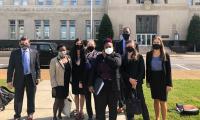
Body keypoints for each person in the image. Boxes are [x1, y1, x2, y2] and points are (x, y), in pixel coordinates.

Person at [7, 36, 40, 120]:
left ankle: (30, 113)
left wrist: (38, 77)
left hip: (31, 78)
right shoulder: (14, 53)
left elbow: (37, 66)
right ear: (19, 44)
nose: (24, 45)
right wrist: (9, 80)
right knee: (18, 98)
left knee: (31, 97)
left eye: (25, 43)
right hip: (19, 78)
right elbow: (10, 67)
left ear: (29, 43)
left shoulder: (35, 52)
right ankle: (17, 115)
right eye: (22, 44)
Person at [89, 38, 121, 120]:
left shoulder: (117, 56)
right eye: (106, 47)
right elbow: (93, 71)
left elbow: (115, 64)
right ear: (103, 48)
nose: (108, 48)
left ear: (113, 47)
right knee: (100, 111)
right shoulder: (99, 57)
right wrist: (91, 84)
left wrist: (106, 57)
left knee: (113, 112)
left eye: (110, 46)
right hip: (101, 87)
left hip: (113, 88)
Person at [121, 40, 150, 120]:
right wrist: (129, 79)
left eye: (131, 46)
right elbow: (122, 71)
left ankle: (146, 118)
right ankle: (130, 118)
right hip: (127, 85)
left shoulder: (139, 57)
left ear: (134, 47)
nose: (129, 47)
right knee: (129, 103)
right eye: (128, 46)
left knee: (142, 103)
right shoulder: (123, 57)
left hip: (137, 85)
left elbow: (142, 71)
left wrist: (135, 82)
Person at [146, 36, 172, 120]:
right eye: (154, 42)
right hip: (153, 80)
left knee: (163, 101)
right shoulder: (149, 54)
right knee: (156, 100)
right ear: (152, 43)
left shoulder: (165, 54)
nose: (156, 44)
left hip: (163, 80)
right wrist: (148, 81)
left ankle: (164, 119)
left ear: (161, 44)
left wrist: (169, 84)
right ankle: (157, 118)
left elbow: (169, 70)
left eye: (158, 42)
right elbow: (148, 68)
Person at [49, 44, 72, 120]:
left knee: (63, 101)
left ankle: (59, 114)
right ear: (58, 51)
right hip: (58, 84)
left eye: (64, 50)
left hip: (66, 84)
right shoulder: (53, 60)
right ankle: (54, 116)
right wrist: (54, 86)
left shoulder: (69, 59)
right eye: (61, 50)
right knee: (57, 101)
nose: (63, 51)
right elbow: (52, 75)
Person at [70, 38, 87, 119]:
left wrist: (82, 80)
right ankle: (77, 110)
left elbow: (86, 65)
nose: (79, 45)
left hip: (83, 77)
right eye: (77, 43)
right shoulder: (72, 52)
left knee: (82, 94)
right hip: (75, 77)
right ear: (75, 44)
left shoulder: (84, 52)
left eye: (80, 43)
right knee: (76, 94)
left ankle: (81, 111)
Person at [85, 39, 100, 120]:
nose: (90, 46)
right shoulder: (84, 54)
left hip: (95, 81)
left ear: (95, 45)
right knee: (88, 101)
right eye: (89, 44)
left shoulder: (98, 54)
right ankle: (90, 115)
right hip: (86, 81)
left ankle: (97, 115)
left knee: (97, 100)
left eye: (92, 44)